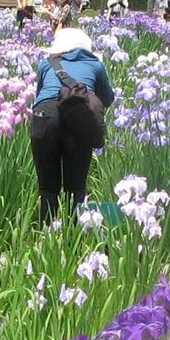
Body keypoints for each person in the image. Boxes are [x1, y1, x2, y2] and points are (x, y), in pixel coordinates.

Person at [30, 27, 115, 222]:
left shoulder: (47, 63)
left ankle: (44, 236)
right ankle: (73, 239)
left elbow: (40, 94)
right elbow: (107, 99)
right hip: (78, 116)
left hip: (45, 115)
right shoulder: (96, 65)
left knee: (47, 188)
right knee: (75, 187)